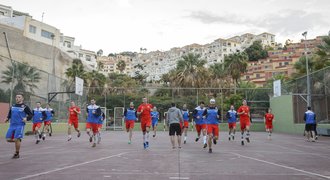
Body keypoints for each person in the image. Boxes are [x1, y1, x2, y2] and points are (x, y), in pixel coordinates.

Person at [5, 93, 33, 159]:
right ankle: (18, 140)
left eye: (19, 97)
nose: (17, 98)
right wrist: (7, 118)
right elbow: (10, 113)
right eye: (16, 97)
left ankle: (17, 153)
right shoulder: (13, 106)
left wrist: (26, 118)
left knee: (16, 138)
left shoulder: (25, 107)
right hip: (12, 125)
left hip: (20, 125)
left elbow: (31, 115)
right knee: (8, 139)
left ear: (22, 98)